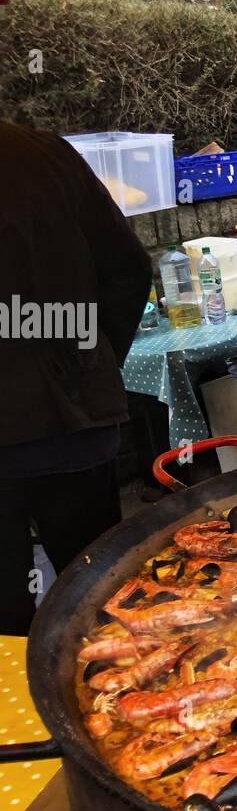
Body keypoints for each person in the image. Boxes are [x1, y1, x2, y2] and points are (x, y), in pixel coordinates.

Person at [0, 121, 152, 635]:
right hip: (75, 419)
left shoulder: (40, 152)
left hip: (68, 416)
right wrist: (89, 358)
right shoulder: (42, 152)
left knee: (7, 623)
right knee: (98, 595)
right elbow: (129, 269)